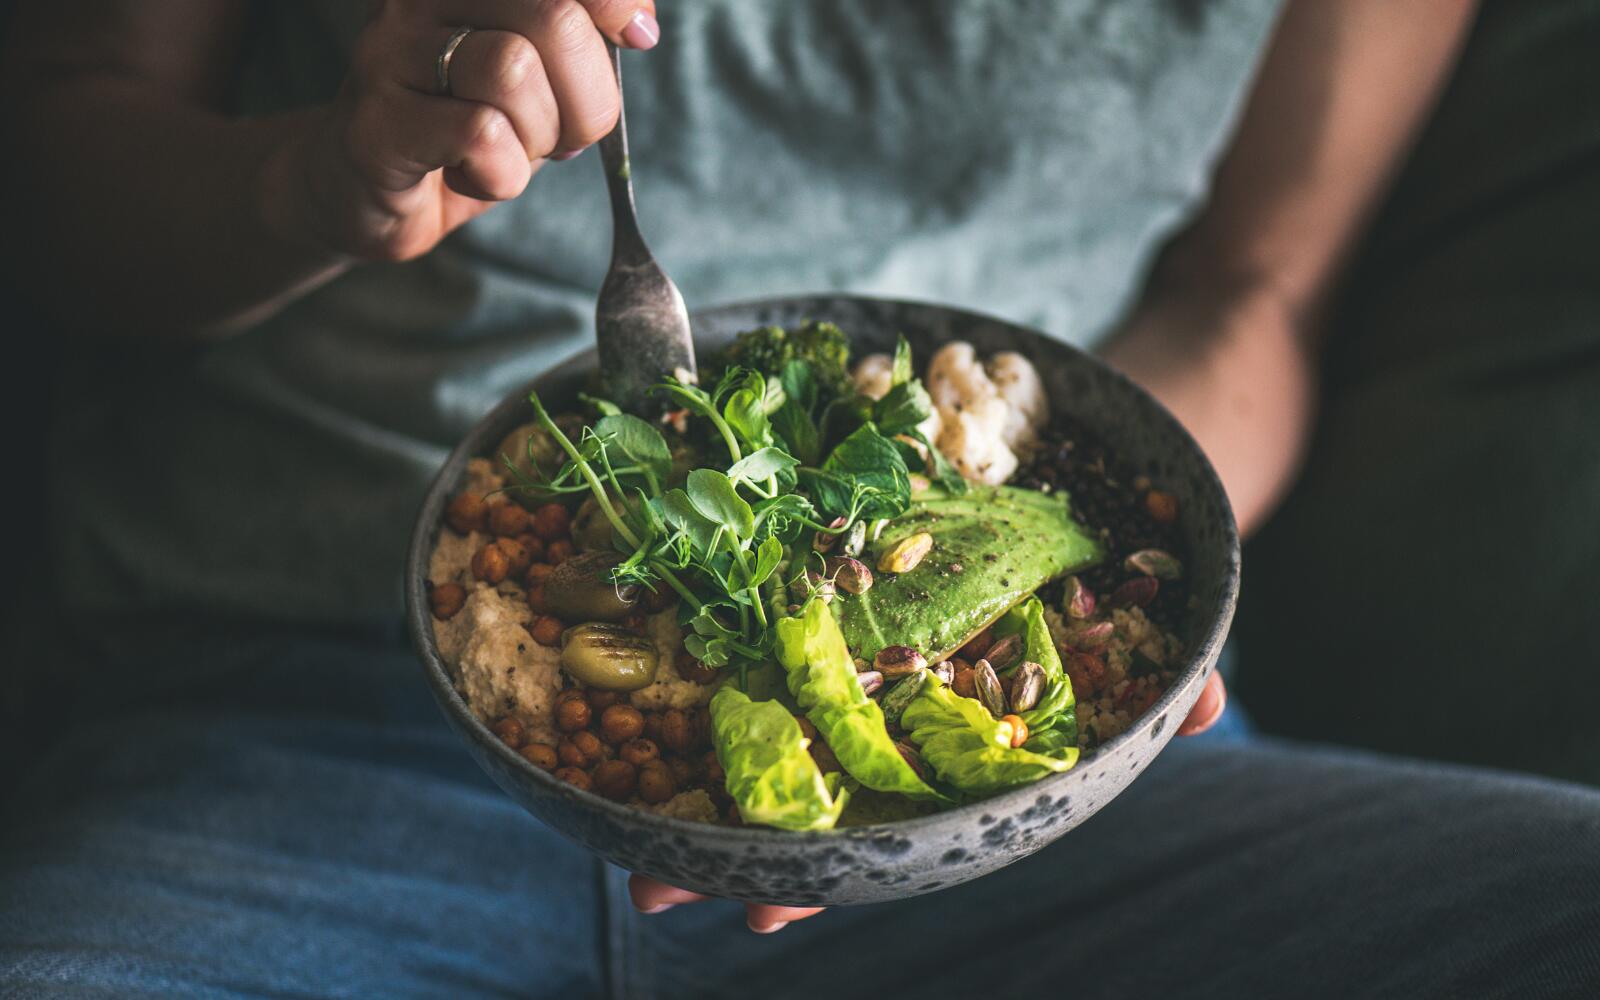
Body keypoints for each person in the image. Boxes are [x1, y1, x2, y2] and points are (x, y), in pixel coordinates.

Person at [1, 1, 1597, 996]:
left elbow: (1259, 289)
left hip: (1039, 820)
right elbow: (63, 183)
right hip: (288, 720)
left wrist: (1096, 631)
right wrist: (323, 177)